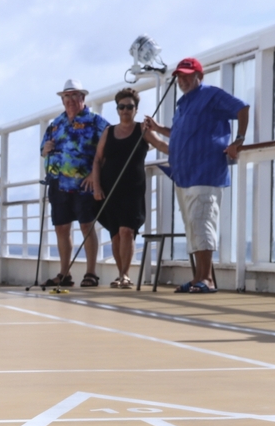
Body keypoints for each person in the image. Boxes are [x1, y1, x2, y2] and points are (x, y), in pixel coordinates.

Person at [145, 57, 249, 293]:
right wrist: (158, 129)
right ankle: (198, 278)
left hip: (206, 172)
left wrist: (239, 140)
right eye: (179, 76)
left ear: (199, 76)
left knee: (202, 224)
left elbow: (242, 107)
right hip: (184, 175)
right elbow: (181, 134)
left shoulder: (211, 94)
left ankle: (207, 280)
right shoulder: (183, 105)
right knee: (193, 227)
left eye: (187, 75)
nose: (182, 80)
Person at [91, 87, 164, 288]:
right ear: (117, 109)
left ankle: (125, 274)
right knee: (115, 233)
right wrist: (96, 187)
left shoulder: (142, 130)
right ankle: (120, 273)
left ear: (136, 109)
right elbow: (97, 160)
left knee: (127, 231)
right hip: (110, 189)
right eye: (121, 107)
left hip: (133, 190)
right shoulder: (108, 131)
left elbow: (162, 146)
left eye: (129, 107)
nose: (125, 110)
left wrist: (185, 150)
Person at [41, 79, 109, 288]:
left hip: (84, 185)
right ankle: (65, 273)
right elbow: (43, 150)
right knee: (62, 228)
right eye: (66, 96)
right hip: (58, 184)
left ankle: (90, 273)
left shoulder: (96, 121)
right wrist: (46, 150)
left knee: (87, 226)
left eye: (74, 96)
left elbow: (108, 150)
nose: (70, 100)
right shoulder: (56, 124)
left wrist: (94, 176)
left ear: (83, 98)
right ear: (63, 100)